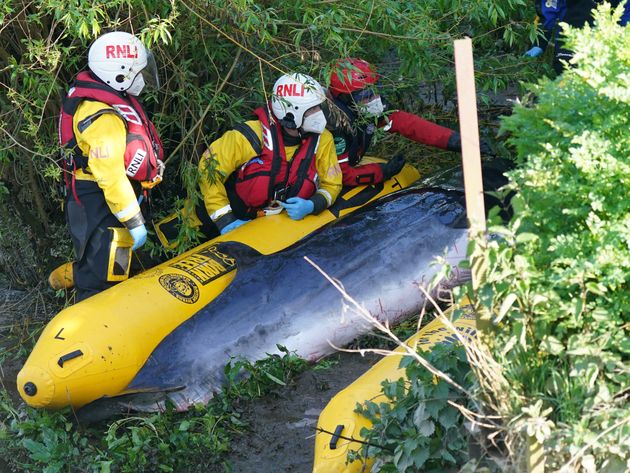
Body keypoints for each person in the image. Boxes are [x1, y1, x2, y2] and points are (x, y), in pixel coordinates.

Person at [50, 31, 165, 301]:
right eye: (138, 72)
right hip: (97, 200)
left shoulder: (111, 101)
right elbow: (110, 176)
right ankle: (91, 328)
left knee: (115, 265)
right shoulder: (101, 116)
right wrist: (134, 220)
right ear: (120, 73)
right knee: (101, 275)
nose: (142, 78)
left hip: (110, 200)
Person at [177, 72, 342, 238]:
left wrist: (313, 204)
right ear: (292, 113)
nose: (319, 113)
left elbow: (332, 185)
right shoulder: (249, 136)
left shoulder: (323, 140)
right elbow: (207, 169)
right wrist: (225, 220)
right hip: (208, 222)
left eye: (318, 107)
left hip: (263, 228)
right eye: (312, 109)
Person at [325, 58, 493, 187]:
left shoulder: (363, 112)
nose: (374, 100)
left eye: (376, 91)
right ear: (345, 99)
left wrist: (458, 141)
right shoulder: (336, 126)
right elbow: (341, 175)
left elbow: (411, 125)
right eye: (366, 96)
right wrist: (383, 172)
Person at [525, 1, 629, 73]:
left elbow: (626, 13)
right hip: (570, 37)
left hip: (606, 39)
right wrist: (540, 43)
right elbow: (549, 9)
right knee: (565, 74)